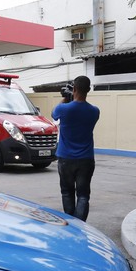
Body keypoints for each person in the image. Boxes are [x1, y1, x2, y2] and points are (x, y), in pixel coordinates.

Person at [51, 75, 100, 221]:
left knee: (67, 193)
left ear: (74, 89)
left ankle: (71, 225)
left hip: (65, 158)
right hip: (86, 159)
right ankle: (80, 226)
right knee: (83, 195)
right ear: (88, 90)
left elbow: (54, 115)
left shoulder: (63, 108)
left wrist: (65, 99)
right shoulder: (95, 111)